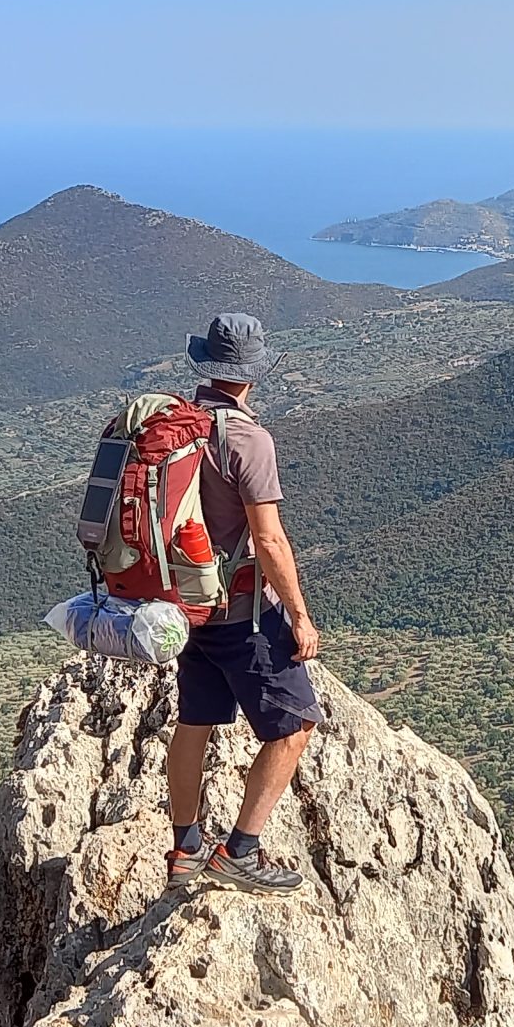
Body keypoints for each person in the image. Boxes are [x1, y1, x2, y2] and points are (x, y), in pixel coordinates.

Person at [165, 311, 323, 894]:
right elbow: (268, 539)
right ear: (253, 373)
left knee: (195, 721)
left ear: (206, 365)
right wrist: (300, 616)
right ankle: (241, 852)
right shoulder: (248, 440)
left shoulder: (177, 429)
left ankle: (184, 849)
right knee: (296, 726)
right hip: (240, 614)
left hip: (184, 609)